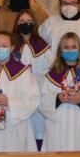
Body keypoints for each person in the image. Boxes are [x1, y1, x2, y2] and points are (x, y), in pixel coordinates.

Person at [11, 9, 51, 147]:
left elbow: (50, 70)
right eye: (22, 21)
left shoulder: (43, 46)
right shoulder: (11, 45)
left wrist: (34, 77)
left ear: (34, 23)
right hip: (16, 95)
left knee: (37, 130)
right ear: (16, 24)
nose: (25, 24)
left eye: (28, 21)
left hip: (38, 94)